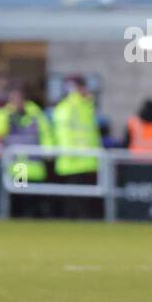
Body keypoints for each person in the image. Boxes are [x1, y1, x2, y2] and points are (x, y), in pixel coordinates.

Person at [0, 84, 53, 217]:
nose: (17, 101)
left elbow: (46, 133)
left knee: (34, 199)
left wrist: (48, 151)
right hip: (17, 165)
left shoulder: (36, 114)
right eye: (14, 98)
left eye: (19, 97)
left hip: (35, 164)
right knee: (18, 199)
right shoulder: (5, 114)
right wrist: (9, 113)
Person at [51, 75, 103, 220]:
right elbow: (65, 133)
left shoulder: (86, 106)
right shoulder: (70, 107)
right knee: (73, 196)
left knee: (83, 196)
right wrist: (70, 152)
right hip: (73, 158)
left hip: (86, 158)